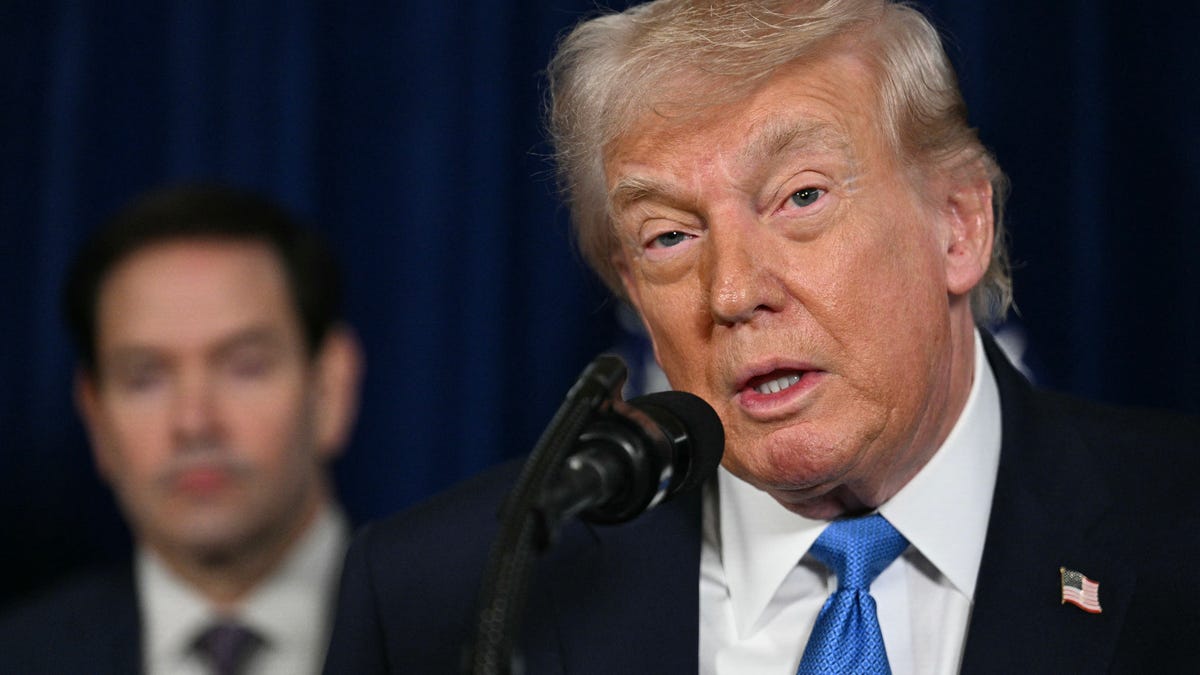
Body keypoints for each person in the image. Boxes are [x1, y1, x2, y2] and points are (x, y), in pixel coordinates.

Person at [322, 1, 1200, 673]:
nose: (734, 293)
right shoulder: (443, 594)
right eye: (670, 236)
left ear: (959, 225)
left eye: (802, 198)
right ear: (632, 288)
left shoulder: (1177, 526)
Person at [0, 183, 363, 675]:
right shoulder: (19, 657)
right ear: (96, 417)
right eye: (144, 378)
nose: (194, 423)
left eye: (245, 366)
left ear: (330, 390)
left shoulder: (463, 637)